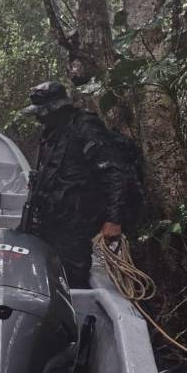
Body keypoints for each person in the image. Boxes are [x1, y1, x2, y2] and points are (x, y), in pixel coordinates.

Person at [22, 81, 130, 289]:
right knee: (42, 269)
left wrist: (113, 219)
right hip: (49, 216)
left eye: (42, 112)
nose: (38, 117)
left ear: (56, 108)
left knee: (71, 277)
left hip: (76, 222)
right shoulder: (52, 131)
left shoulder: (86, 128)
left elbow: (114, 172)